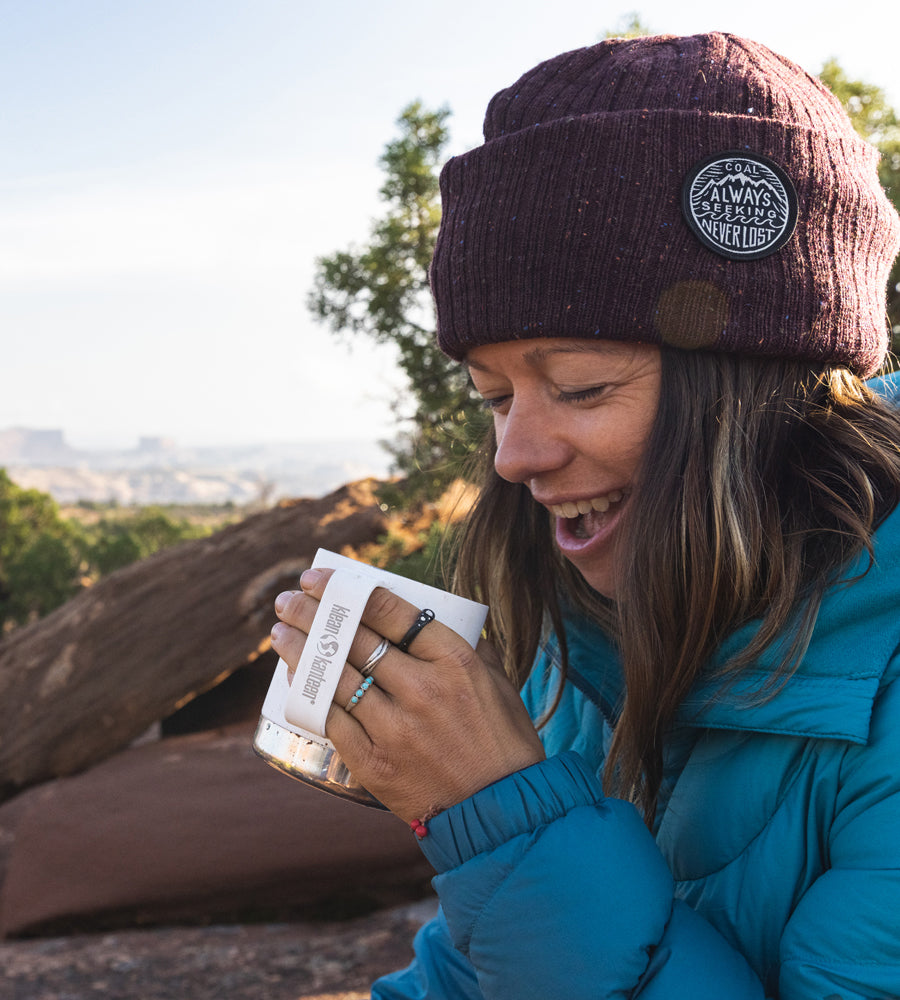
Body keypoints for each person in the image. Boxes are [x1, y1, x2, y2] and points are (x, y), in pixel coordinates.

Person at [269, 32, 900, 999]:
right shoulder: (592, 646)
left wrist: (508, 817)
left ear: (764, 387)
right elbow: (474, 973)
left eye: (581, 385)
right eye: (493, 397)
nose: (515, 456)